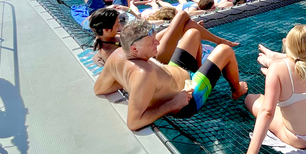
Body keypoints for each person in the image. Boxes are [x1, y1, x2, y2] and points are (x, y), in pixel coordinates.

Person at [95, 20, 248, 130]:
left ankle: (202, 71)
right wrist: (173, 103)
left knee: (193, 33)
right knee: (224, 50)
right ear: (134, 49)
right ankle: (237, 91)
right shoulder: (143, 75)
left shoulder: (117, 55)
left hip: (175, 71)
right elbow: (133, 123)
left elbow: (99, 89)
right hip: (188, 95)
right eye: (152, 43)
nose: (158, 44)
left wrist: (128, 83)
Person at [232, 25, 306, 154]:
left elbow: (267, 113)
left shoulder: (277, 67)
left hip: (301, 139)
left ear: (288, 45)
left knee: (251, 99)